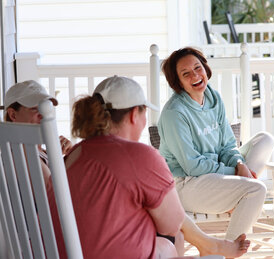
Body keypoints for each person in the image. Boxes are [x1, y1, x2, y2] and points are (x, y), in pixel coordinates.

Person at [46, 75, 250, 259]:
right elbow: (171, 226)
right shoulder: (139, 155)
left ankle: (211, 245)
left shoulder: (74, 154)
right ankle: (211, 245)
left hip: (61, 252)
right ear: (135, 114)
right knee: (173, 238)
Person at [158, 47, 274, 241]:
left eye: (198, 67)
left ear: (205, 67)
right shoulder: (174, 113)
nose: (195, 75)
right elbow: (193, 166)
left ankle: (236, 198)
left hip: (216, 176)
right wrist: (237, 174)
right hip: (186, 184)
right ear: (177, 82)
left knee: (265, 140)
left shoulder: (213, 97)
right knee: (256, 189)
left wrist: (240, 165)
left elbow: (228, 145)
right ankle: (229, 249)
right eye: (186, 73)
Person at [4, 80, 72, 185]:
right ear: (13, 115)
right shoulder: (22, 154)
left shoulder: (39, 152)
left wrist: (67, 155)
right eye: (34, 109)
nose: (43, 115)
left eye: (46, 109)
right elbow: (54, 195)